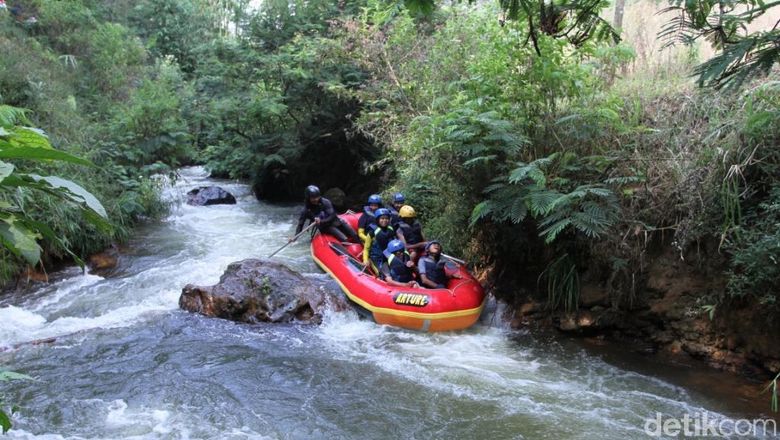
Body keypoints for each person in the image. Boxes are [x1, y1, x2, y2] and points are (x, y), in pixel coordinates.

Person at [293, 185, 359, 243]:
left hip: (334, 221)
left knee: (354, 234)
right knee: (344, 239)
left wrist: (321, 221)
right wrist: (295, 237)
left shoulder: (325, 202)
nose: (316, 199)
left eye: (317, 197)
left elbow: (332, 215)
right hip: (326, 227)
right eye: (313, 198)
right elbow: (300, 225)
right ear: (308, 198)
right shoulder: (306, 210)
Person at [362, 208, 398, 273]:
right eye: (382, 218)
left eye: (386, 218)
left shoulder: (390, 229)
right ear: (377, 220)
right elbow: (366, 249)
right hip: (376, 258)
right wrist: (365, 260)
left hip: (388, 256)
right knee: (381, 273)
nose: (385, 220)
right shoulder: (372, 233)